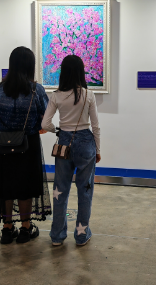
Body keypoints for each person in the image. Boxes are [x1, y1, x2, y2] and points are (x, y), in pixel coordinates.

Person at [0, 47, 52, 244]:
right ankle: (26, 228)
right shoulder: (36, 90)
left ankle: (7, 229)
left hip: (5, 143)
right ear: (30, 66)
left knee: (6, 185)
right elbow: (45, 113)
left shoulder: (1, 89)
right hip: (28, 143)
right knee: (26, 185)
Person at [42, 55, 101, 246]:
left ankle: (57, 235)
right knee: (85, 190)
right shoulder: (88, 94)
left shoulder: (56, 95)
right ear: (81, 72)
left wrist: (57, 130)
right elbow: (96, 126)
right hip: (85, 143)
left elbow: (45, 123)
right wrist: (98, 149)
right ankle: (82, 235)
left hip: (64, 143)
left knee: (60, 189)